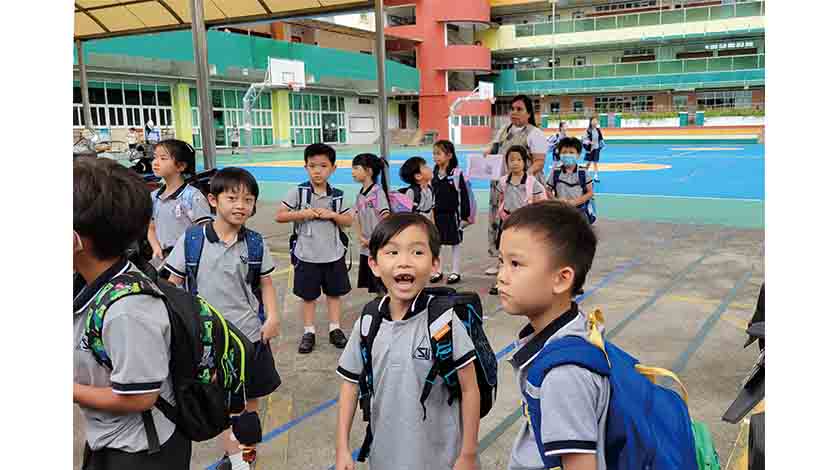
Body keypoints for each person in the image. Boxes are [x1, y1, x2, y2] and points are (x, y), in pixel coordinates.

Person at [335, 214, 481, 470]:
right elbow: (350, 384)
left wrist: (468, 454)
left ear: (434, 265)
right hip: (384, 458)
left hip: (441, 461)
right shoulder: (368, 322)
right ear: (374, 264)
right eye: (392, 252)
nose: (404, 262)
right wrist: (342, 448)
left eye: (417, 252)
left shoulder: (443, 322)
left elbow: (470, 389)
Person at [73, 157, 191, 469]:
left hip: (140, 452)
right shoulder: (92, 280)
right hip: (109, 437)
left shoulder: (128, 310)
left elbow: (139, 397)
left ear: (75, 240)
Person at [165, 167, 282, 469]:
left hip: (249, 337)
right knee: (219, 404)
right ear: (213, 200)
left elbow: (266, 283)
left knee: (250, 402)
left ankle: (245, 454)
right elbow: (172, 286)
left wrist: (272, 317)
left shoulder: (255, 243)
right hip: (208, 341)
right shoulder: (193, 240)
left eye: (248, 199)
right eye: (232, 198)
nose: (241, 205)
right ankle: (236, 457)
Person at [496, 201, 607, 470]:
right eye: (501, 262)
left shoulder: (563, 375)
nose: (501, 276)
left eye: (515, 264)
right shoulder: (577, 328)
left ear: (561, 279)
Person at [275, 143, 353, 354]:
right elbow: (279, 215)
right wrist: (303, 214)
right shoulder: (298, 192)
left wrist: (333, 215)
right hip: (306, 255)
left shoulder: (338, 195)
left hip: (333, 255)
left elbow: (348, 220)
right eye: (312, 166)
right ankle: (308, 331)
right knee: (308, 296)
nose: (317, 171)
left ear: (333, 168)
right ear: (306, 167)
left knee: (334, 294)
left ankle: (335, 328)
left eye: (323, 166)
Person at [483, 95, 548, 276]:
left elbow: (539, 162)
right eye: (512, 109)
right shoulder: (504, 130)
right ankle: (502, 262)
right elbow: (494, 147)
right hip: (502, 185)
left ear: (529, 113)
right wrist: (487, 151)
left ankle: (527, 263)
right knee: (501, 224)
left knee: (525, 226)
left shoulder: (535, 134)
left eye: (519, 109)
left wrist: (522, 178)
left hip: (523, 188)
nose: (514, 112)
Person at [147, 139, 213, 275]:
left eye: (163, 158)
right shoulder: (154, 197)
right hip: (164, 260)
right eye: (155, 157)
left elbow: (205, 232)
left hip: (189, 263)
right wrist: (156, 248)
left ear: (181, 166)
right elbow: (151, 227)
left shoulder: (192, 197)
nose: (155, 162)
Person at [489, 145, 547, 296]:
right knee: (504, 253)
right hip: (507, 222)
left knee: (524, 253)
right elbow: (501, 199)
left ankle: (526, 281)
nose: (515, 163)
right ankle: (500, 282)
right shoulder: (503, 181)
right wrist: (502, 214)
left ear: (525, 162)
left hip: (525, 223)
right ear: (507, 162)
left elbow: (540, 200)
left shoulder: (531, 182)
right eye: (511, 160)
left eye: (519, 159)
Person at [430, 140, 470, 285]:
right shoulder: (434, 173)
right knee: (438, 242)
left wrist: (465, 216)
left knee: (455, 242)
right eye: (434, 154)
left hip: (453, 214)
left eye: (439, 153)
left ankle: (455, 271)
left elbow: (464, 195)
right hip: (437, 213)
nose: (435, 157)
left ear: (449, 155)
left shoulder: (456, 173)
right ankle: (438, 270)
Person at [351, 153, 391, 294]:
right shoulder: (360, 194)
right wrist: (361, 237)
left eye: (356, 168)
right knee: (374, 283)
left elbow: (386, 219)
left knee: (382, 282)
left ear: (368, 171)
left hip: (378, 245)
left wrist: (376, 240)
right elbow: (356, 217)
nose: (352, 172)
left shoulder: (377, 193)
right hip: (366, 246)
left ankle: (385, 305)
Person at [546, 137, 595, 223]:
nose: (567, 155)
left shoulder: (583, 172)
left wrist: (575, 202)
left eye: (571, 152)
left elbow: (590, 192)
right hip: (560, 210)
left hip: (579, 211)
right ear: (559, 154)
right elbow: (548, 190)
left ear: (578, 155)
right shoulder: (555, 172)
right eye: (564, 152)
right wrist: (556, 201)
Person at [398, 156, 435, 221]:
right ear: (418, 176)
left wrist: (433, 226)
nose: (429, 168)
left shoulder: (430, 189)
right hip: (416, 223)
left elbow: (431, 211)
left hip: (427, 224)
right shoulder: (412, 192)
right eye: (425, 167)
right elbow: (406, 214)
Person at [582, 116, 605, 182]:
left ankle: (596, 176)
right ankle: (584, 174)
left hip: (596, 149)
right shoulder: (588, 130)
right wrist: (589, 142)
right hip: (590, 149)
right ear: (591, 122)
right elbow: (584, 139)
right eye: (593, 121)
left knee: (595, 162)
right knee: (588, 163)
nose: (595, 122)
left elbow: (601, 138)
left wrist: (602, 145)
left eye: (596, 121)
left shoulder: (598, 130)